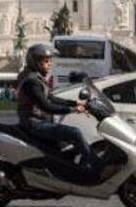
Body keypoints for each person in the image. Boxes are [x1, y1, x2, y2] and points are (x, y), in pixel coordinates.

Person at [16, 43, 102, 183]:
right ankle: (87, 168)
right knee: (75, 133)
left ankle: (65, 172)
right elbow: (47, 106)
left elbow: (52, 98)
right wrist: (73, 110)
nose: (49, 64)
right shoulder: (32, 82)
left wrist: (76, 103)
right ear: (35, 62)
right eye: (46, 61)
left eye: (50, 60)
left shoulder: (36, 78)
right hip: (34, 124)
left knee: (67, 143)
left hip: (39, 122)